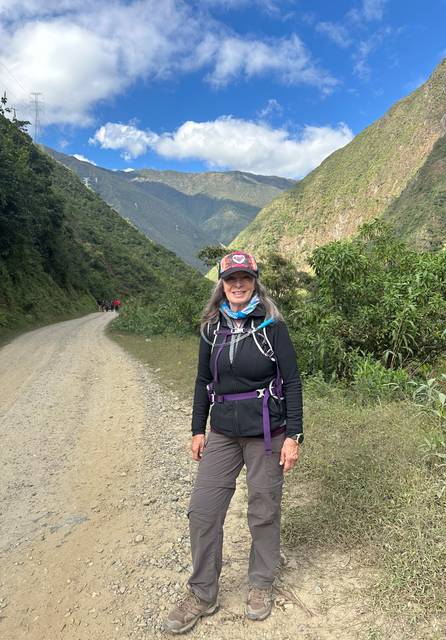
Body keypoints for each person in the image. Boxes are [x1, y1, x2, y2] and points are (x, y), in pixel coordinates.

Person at [165, 250, 303, 635]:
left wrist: (294, 435)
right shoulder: (212, 328)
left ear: (255, 281)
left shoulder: (272, 326)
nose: (238, 284)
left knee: (263, 510)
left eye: (245, 278)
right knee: (203, 511)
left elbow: (291, 381)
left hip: (267, 433)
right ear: (222, 285)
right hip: (223, 433)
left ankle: (260, 583)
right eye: (231, 279)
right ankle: (202, 593)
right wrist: (197, 429)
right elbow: (200, 381)